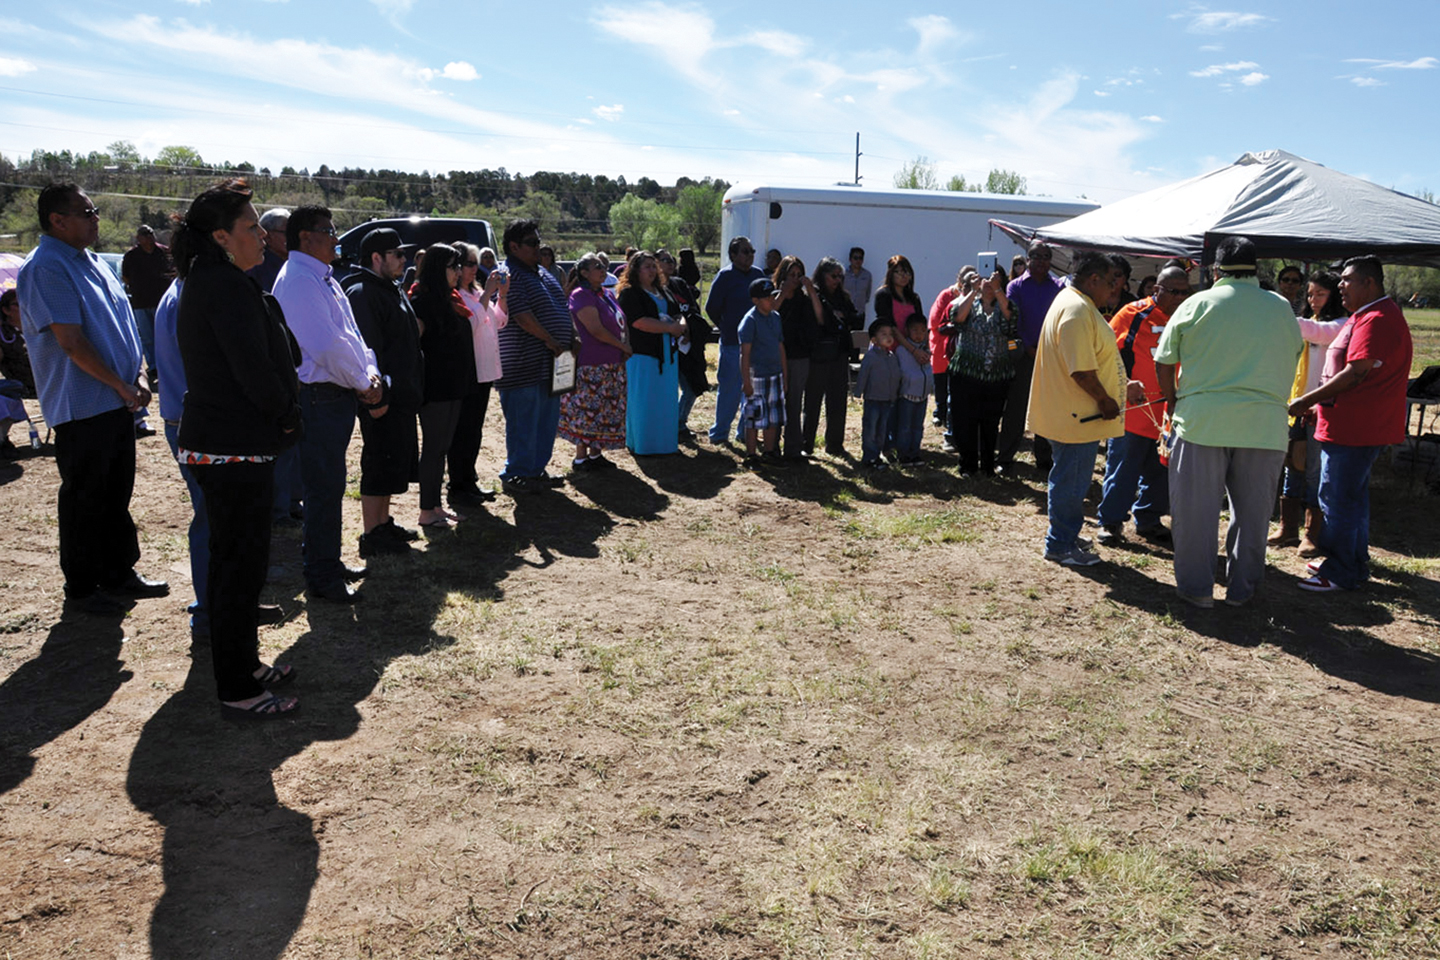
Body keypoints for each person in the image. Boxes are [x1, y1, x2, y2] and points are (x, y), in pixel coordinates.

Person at [173, 179, 302, 720]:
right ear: (221, 237)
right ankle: (237, 688)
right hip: (230, 447)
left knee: (244, 567)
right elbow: (254, 370)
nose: (263, 235)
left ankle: (245, 665)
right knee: (237, 570)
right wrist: (287, 416)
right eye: (252, 227)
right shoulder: (222, 286)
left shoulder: (220, 281)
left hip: (232, 445)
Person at [18, 183, 168, 615]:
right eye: (86, 212)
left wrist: (136, 375)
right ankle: (83, 587)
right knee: (86, 498)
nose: (95, 218)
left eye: (95, 210)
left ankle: (118, 572)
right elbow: (71, 342)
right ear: (57, 220)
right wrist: (120, 384)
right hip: (82, 405)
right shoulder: (46, 267)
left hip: (116, 399)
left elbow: (122, 326)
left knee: (115, 494)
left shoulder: (94, 262)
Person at [1154, 236, 1302, 607]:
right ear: (1256, 269)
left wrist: (1173, 401)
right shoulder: (1281, 307)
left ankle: (1197, 591)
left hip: (1202, 423)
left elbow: (1164, 361)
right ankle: (1242, 591)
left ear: (1216, 269)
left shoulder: (1197, 303)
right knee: (1253, 518)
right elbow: (1295, 352)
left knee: (1195, 515)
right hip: (1265, 426)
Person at [273, 204, 383, 603]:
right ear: (306, 237)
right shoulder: (299, 281)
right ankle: (322, 574)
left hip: (334, 395)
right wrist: (364, 383)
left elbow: (352, 335)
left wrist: (370, 372)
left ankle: (326, 563)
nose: (337, 238)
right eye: (330, 230)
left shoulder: (320, 277)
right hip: (319, 398)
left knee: (329, 486)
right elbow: (325, 346)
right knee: (323, 489)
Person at [1288, 255, 1412, 593]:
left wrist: (1308, 399)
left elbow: (1356, 372)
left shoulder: (1376, 318)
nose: (1339, 285)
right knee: (1350, 498)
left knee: (1337, 498)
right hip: (1349, 424)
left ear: (1369, 283)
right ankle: (1353, 563)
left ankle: (1340, 571)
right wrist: (1321, 406)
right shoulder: (1367, 315)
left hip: (1356, 429)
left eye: (1346, 280)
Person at [1028, 251, 1138, 567]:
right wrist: (1105, 400)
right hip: (1077, 417)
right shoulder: (1076, 309)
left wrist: (1122, 385)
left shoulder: (1076, 303)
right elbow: (1081, 371)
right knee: (1071, 483)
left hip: (1075, 415)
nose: (1115, 289)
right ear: (1093, 279)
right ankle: (1060, 544)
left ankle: (1065, 535)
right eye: (1111, 282)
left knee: (1072, 480)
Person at [1094, 265, 1193, 545]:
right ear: (1157, 289)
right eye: (1174, 292)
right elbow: (1105, 354)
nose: (1180, 298)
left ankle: (1149, 519)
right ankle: (1111, 521)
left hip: (1171, 411)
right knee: (1124, 468)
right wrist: (1124, 384)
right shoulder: (1133, 314)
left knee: (1161, 469)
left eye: (1185, 292)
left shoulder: (1190, 317)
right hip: (1137, 410)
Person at [344, 227, 424, 556]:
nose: (405, 260)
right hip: (381, 397)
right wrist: (377, 398)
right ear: (377, 257)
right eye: (398, 254)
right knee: (378, 462)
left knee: (392, 462)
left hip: (399, 396)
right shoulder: (362, 292)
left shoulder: (388, 287)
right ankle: (371, 534)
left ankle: (383, 523)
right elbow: (368, 350)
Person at [1269, 271, 1347, 556]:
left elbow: (1319, 333)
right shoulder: (1308, 322)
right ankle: (1288, 528)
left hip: (1320, 408)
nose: (1313, 300)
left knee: (1314, 469)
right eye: (1310, 294)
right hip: (1297, 405)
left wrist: (1276, 313)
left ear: (1333, 296)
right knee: (1293, 464)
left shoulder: (1342, 325)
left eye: (1320, 294)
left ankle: (1311, 533)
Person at [495, 219, 574, 492]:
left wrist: (572, 335)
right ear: (513, 246)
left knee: (546, 422)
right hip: (523, 365)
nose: (538, 247)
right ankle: (517, 474)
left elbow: (562, 308)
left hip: (553, 363)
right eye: (532, 243)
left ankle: (536, 470)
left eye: (539, 242)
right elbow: (521, 315)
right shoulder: (509, 274)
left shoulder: (543, 273)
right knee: (524, 422)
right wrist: (550, 339)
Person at [410, 243, 476, 529]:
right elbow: (413, 344)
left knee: (443, 448)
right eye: (453, 266)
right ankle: (427, 511)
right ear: (438, 268)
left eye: (459, 266)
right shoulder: (422, 301)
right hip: (435, 388)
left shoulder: (451, 299)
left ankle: (436, 506)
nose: (458, 272)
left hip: (454, 385)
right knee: (434, 447)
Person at [448, 241, 507, 509]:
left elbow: (498, 320)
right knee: (463, 430)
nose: (475, 268)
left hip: (484, 370)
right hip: (467, 371)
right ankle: (458, 485)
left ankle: (469, 480)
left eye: (476, 263)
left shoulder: (476, 291)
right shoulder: (455, 295)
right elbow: (471, 323)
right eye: (470, 264)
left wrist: (501, 296)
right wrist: (488, 295)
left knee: (474, 430)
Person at [560, 252, 630, 470]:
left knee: (605, 409)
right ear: (583, 273)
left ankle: (596, 454)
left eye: (603, 266)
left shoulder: (605, 294)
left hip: (612, 362)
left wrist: (625, 343)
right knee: (586, 409)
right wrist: (622, 346)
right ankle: (581, 457)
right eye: (597, 267)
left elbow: (621, 320)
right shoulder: (581, 295)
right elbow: (595, 329)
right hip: (591, 363)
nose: (602, 270)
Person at [1001, 241, 1065, 474]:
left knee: (1046, 409)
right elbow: (1014, 320)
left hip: (1050, 357)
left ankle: (1044, 459)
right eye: (1036, 256)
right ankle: (1005, 457)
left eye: (1046, 257)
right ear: (1028, 259)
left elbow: (1061, 320)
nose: (1041, 261)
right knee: (1016, 409)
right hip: (1024, 357)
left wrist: (1046, 349)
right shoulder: (1015, 286)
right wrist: (1029, 347)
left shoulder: (1059, 287)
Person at [946, 267, 1016, 477]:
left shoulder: (1005, 304)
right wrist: (974, 291)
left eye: (994, 279)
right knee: (964, 420)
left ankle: (987, 465)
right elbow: (957, 317)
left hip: (995, 375)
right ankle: (967, 464)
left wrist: (997, 290)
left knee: (990, 422)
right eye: (985, 279)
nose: (988, 283)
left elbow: (1011, 318)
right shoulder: (967, 302)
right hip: (967, 372)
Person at [617, 250, 686, 456]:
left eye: (653, 266)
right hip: (644, 356)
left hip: (668, 356)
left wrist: (681, 325)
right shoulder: (630, 294)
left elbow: (678, 313)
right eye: (647, 266)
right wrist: (670, 328)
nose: (652, 270)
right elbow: (638, 322)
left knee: (665, 400)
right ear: (635, 270)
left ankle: (665, 443)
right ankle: (645, 445)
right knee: (645, 401)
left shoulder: (663, 291)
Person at [703, 236, 764, 444]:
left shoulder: (758, 275)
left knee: (753, 390)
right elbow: (711, 308)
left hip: (756, 343)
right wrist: (727, 326)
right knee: (729, 390)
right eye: (745, 251)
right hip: (732, 344)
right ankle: (720, 434)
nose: (750, 255)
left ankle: (746, 433)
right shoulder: (725, 276)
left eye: (752, 251)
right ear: (733, 255)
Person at [805, 257, 857, 457]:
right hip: (818, 354)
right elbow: (820, 321)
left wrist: (839, 317)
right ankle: (806, 444)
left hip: (839, 353)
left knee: (838, 401)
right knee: (812, 402)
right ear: (822, 275)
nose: (837, 280)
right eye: (833, 276)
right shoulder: (813, 294)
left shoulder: (843, 296)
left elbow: (853, 317)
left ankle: (835, 444)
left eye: (840, 276)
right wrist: (834, 317)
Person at [772, 255, 822, 458]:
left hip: (800, 356)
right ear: (782, 275)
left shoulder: (805, 300)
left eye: (799, 275)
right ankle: (771, 446)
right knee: (776, 402)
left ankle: (793, 447)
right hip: (777, 356)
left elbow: (820, 318)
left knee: (794, 402)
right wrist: (783, 294)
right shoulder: (774, 295)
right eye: (791, 274)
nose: (795, 278)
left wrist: (811, 290)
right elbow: (768, 315)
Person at [656, 249, 709, 440]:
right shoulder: (653, 288)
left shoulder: (679, 284)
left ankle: (678, 423)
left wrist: (688, 330)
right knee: (669, 390)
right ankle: (671, 425)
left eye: (672, 260)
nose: (670, 263)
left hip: (686, 345)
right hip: (664, 346)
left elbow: (692, 310)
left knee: (692, 387)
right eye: (665, 260)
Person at [738, 277, 787, 464]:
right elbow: (745, 354)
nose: (772, 300)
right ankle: (751, 454)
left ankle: (769, 452)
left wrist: (785, 376)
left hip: (775, 374)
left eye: (773, 296)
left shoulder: (776, 317)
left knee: (773, 417)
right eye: (767, 298)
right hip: (757, 376)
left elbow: (780, 347)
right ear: (755, 300)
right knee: (754, 417)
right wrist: (746, 381)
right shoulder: (750, 321)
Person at [120, 224, 174, 394]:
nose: (148, 237)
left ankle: (167, 366)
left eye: (150, 233)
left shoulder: (164, 252)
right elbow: (125, 277)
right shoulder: (131, 256)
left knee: (164, 335)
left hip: (162, 301)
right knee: (147, 337)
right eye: (144, 234)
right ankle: (153, 367)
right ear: (138, 238)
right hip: (141, 302)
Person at [927, 266, 978, 441]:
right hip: (951, 353)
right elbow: (938, 324)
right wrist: (957, 325)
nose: (970, 288)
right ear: (961, 283)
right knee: (950, 394)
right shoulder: (951, 301)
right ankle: (950, 431)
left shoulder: (983, 304)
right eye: (967, 284)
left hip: (974, 359)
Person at [854, 319, 901, 469]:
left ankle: (878, 454)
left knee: (882, 429)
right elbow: (863, 375)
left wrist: (894, 394)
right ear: (874, 340)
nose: (889, 337)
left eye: (890, 334)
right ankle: (869, 457)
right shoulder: (870, 357)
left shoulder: (892, 357)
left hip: (887, 400)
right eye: (883, 334)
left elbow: (896, 377)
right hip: (873, 399)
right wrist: (858, 392)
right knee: (870, 428)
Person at [894, 314, 934, 466]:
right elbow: (902, 372)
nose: (919, 334)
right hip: (907, 395)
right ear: (907, 331)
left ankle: (915, 453)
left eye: (922, 331)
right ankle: (903, 454)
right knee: (905, 427)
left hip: (922, 396)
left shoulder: (926, 349)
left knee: (918, 426)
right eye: (915, 330)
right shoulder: (902, 350)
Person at [0, 289, 36, 396]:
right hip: (22, 390)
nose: (25, 306)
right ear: (6, 310)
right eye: (18, 304)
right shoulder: (3, 334)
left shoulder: (40, 329)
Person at [245, 208, 289, 293]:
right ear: (267, 236)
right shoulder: (257, 266)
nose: (293, 237)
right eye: (286, 233)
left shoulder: (295, 262)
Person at [843, 247, 873, 325]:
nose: (858, 261)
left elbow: (867, 295)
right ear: (850, 259)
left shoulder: (867, 275)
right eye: (855, 258)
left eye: (860, 258)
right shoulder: (843, 274)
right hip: (845, 313)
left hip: (860, 313)